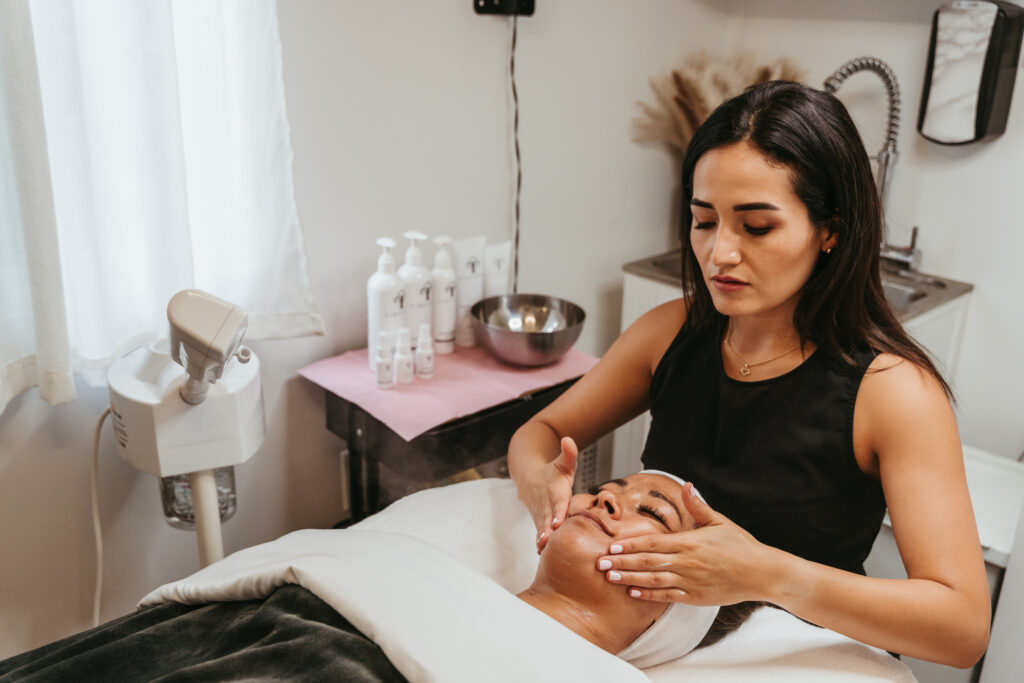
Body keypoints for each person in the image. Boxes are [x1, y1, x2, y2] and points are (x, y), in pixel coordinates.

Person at [508, 80, 991, 668]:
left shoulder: (892, 393)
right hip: (657, 641)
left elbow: (963, 628)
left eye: (756, 227)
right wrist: (541, 487)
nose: (719, 255)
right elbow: (542, 432)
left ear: (831, 228)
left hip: (794, 660)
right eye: (704, 221)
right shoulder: (671, 332)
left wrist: (768, 574)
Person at [517, 470, 724, 666]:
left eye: (652, 513)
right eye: (596, 490)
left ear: (665, 621)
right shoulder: (484, 594)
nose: (605, 496)